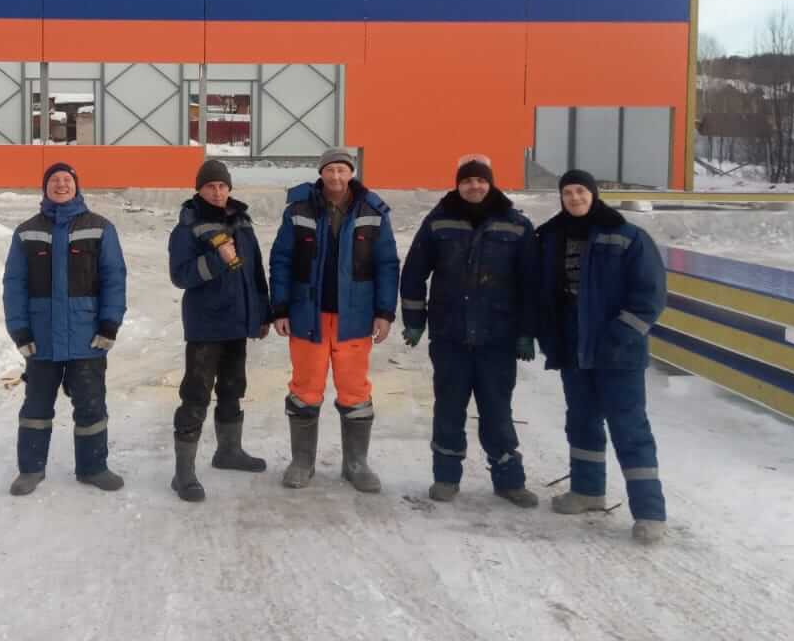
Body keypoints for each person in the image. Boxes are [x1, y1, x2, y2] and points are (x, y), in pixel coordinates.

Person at [399, 154, 540, 507]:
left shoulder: (516, 224)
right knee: (449, 407)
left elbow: (531, 283)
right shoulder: (438, 221)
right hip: (450, 334)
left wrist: (526, 331)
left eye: (480, 180)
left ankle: (509, 481)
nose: (474, 186)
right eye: (467, 181)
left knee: (497, 410)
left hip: (498, 336)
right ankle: (446, 477)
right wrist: (414, 320)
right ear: (458, 184)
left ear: (490, 183)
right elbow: (414, 272)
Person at [536, 169, 668, 543]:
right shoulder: (552, 236)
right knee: (581, 421)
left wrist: (620, 336)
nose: (574, 198)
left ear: (594, 194)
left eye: (581, 191)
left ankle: (650, 512)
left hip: (618, 352)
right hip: (573, 348)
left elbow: (650, 296)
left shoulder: (627, 237)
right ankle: (587, 491)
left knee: (629, 427)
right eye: (567, 192)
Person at [269, 148, 399, 492]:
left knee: (355, 391)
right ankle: (302, 462)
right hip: (307, 317)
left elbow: (387, 264)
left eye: (342, 170)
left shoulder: (373, 211)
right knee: (305, 390)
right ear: (321, 173)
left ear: (351, 173)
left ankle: (356, 464)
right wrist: (280, 308)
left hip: (354, 318)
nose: (336, 177)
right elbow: (281, 259)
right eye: (330, 170)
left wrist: (385, 312)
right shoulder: (299, 209)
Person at [3, 162, 127, 496]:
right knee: (36, 407)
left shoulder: (100, 228)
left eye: (67, 180)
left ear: (76, 186)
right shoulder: (26, 232)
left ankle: (93, 468)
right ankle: (30, 470)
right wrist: (20, 331)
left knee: (91, 405)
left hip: (87, 338)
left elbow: (114, 279)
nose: (61, 185)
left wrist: (109, 325)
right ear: (45, 188)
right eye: (54, 180)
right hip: (41, 339)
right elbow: (14, 284)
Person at [166, 159, 272, 502]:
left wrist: (262, 313)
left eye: (222, 186)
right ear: (199, 189)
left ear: (229, 189)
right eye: (210, 186)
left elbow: (255, 272)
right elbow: (180, 275)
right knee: (196, 394)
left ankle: (229, 451)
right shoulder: (188, 226)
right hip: (206, 324)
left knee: (232, 387)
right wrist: (218, 260)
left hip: (237, 323)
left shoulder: (242, 222)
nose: (217, 192)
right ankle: (183, 473)